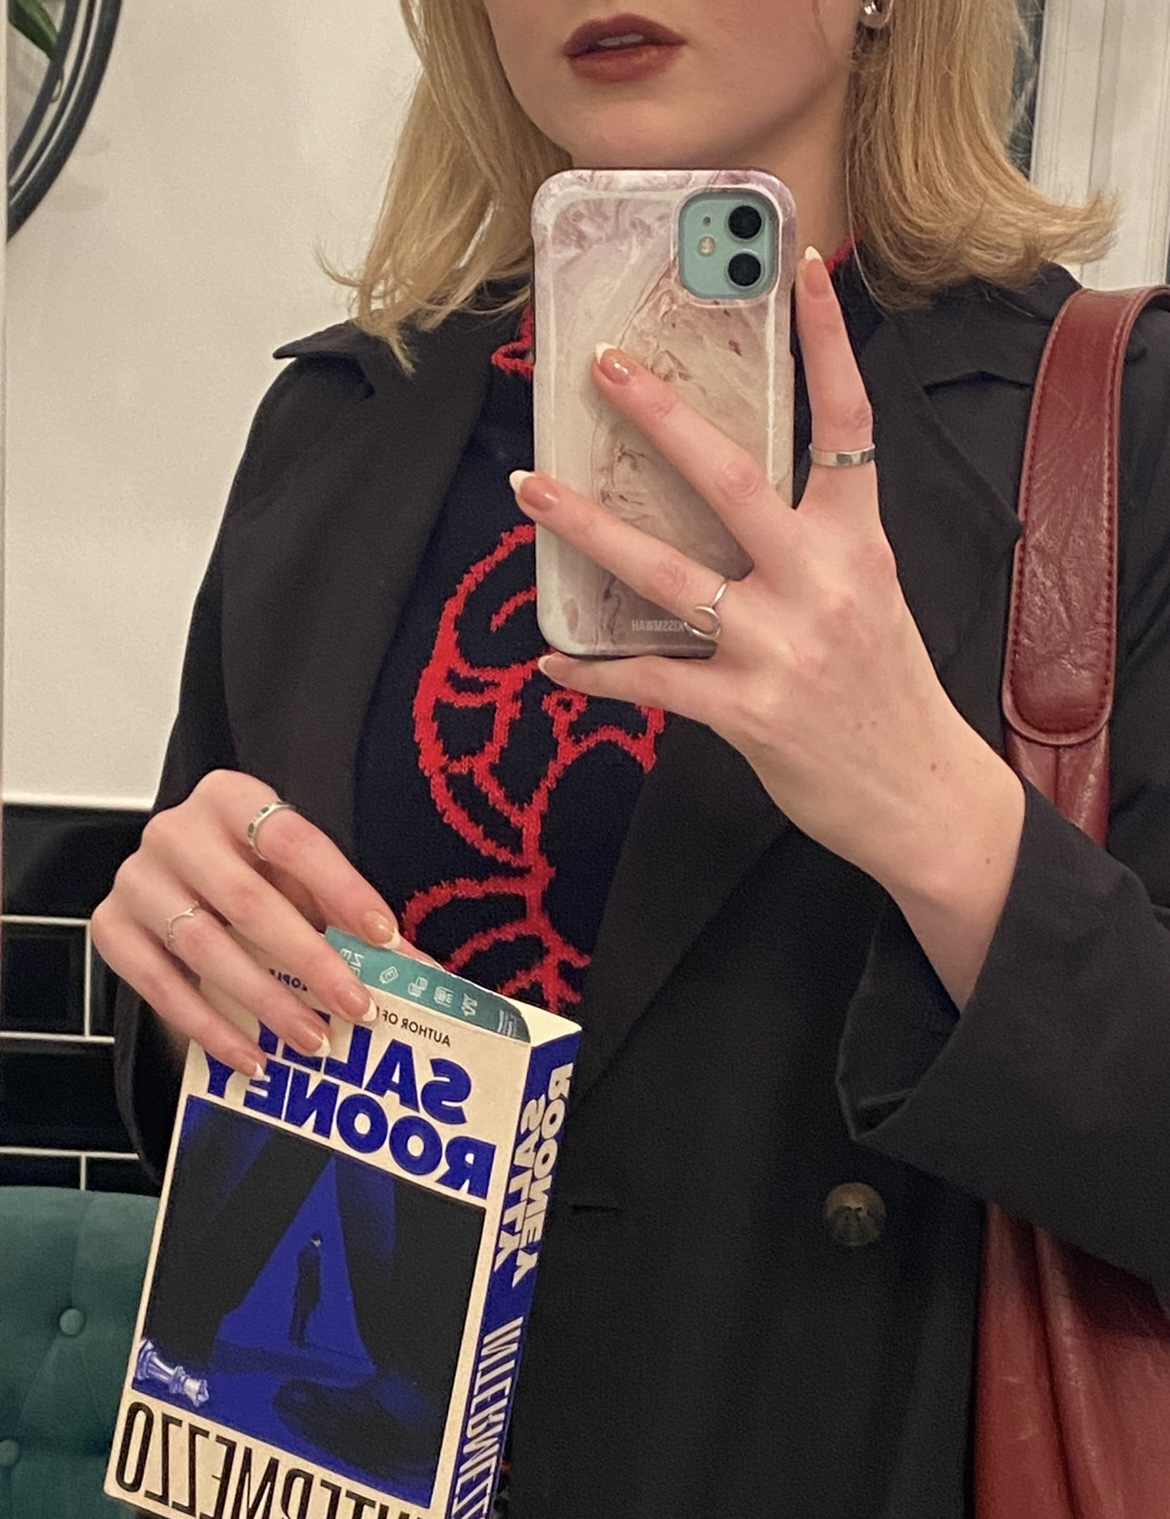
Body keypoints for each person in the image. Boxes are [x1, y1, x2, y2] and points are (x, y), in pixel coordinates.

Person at [93, 1, 1170, 1515]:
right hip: (339, 1448)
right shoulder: (339, 424)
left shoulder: (1117, 435)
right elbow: (203, 1054)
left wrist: (940, 821)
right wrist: (184, 960)